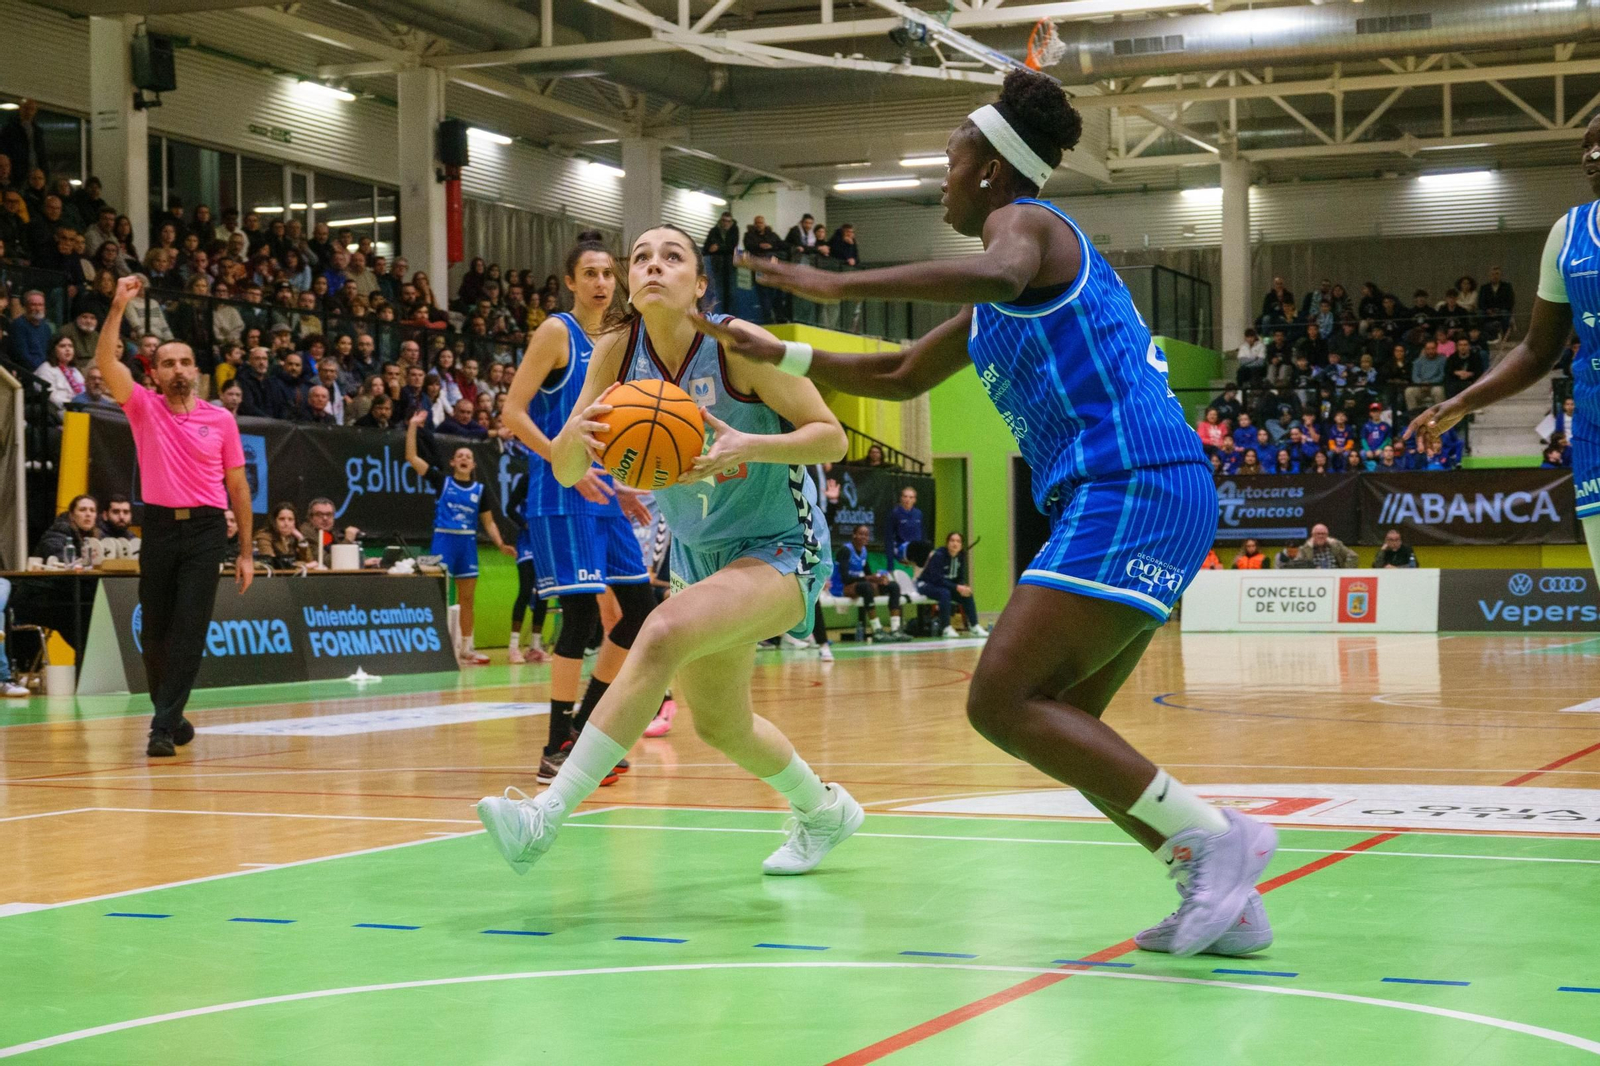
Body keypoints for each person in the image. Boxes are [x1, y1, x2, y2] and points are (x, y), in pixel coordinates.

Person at [693, 70, 1275, 956]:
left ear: (994, 171)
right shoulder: (996, 307)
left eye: (952, 162)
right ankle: (1221, 894)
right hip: (1139, 490)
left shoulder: (1027, 227)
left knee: (999, 701)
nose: (942, 180)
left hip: (1131, 481)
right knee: (1063, 726)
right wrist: (788, 351)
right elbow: (895, 375)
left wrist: (839, 286)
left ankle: (1218, 839)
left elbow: (1001, 264)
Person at [475, 223, 859, 885]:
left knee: (660, 629)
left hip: (782, 545)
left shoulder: (738, 348)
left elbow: (832, 440)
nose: (653, 266)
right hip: (702, 554)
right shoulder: (616, 351)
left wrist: (750, 445)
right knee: (721, 724)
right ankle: (822, 810)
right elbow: (569, 470)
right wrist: (576, 431)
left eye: (672, 256)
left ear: (699, 285)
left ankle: (546, 814)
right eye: (641, 257)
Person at [499, 231, 658, 782]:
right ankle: (554, 747)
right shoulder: (555, 332)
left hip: (606, 495)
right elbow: (512, 412)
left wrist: (626, 481)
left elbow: (610, 428)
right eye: (589, 274)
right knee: (582, 616)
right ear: (570, 281)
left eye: (608, 274)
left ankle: (587, 729)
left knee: (639, 612)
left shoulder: (619, 339)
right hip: (560, 494)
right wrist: (563, 462)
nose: (600, 283)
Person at [1411, 115, 1600, 570]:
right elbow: (1537, 350)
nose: (1592, 156)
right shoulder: (1568, 235)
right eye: (1586, 146)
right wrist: (1459, 403)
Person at [96, 276, 253, 757]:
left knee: (189, 627)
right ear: (155, 374)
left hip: (207, 528)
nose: (178, 369)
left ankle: (161, 727)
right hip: (160, 526)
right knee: (155, 629)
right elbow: (105, 362)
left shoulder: (220, 419)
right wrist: (119, 305)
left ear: (197, 372)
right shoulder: (143, 408)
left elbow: (238, 486)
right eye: (168, 363)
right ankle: (172, 712)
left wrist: (245, 550)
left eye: (185, 361)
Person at [404, 409, 514, 664]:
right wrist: (412, 425)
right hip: (444, 541)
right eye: (460, 455)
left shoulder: (480, 490)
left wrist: (500, 544)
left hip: (467, 544)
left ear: (473, 465)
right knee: (438, 596)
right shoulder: (442, 481)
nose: (464, 458)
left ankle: (466, 648)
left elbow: (489, 522)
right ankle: (436, 647)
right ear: (453, 462)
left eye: (468, 456)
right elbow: (411, 456)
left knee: (467, 599)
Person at [833, 523, 904, 640]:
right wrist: (869, 579)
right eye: (861, 534)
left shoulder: (864, 552)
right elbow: (845, 578)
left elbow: (868, 574)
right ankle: (877, 630)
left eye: (866, 535)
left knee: (893, 586)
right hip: (840, 587)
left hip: (859, 585)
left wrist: (879, 579)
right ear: (854, 535)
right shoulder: (845, 550)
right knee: (867, 587)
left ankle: (895, 629)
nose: (864, 537)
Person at [918, 531, 987, 638]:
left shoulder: (960, 557)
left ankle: (974, 626)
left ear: (961, 545)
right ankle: (946, 628)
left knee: (967, 594)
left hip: (945, 586)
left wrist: (963, 586)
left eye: (958, 541)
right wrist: (957, 587)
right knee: (945, 593)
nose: (955, 544)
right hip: (926, 584)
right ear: (947, 543)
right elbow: (937, 580)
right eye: (952, 541)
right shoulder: (939, 555)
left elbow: (960, 577)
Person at [254, 502, 315, 569]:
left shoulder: (294, 538)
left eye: (290, 519)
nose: (286, 523)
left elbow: (310, 562)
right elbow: (271, 563)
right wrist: (304, 566)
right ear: (274, 521)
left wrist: (301, 538)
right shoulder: (263, 536)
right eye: (282, 519)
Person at [887, 485, 924, 563]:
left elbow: (922, 533)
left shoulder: (919, 513)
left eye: (911, 497)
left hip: (917, 548)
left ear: (915, 500)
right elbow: (889, 536)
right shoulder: (895, 513)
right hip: (902, 548)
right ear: (901, 498)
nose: (908, 499)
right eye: (905, 496)